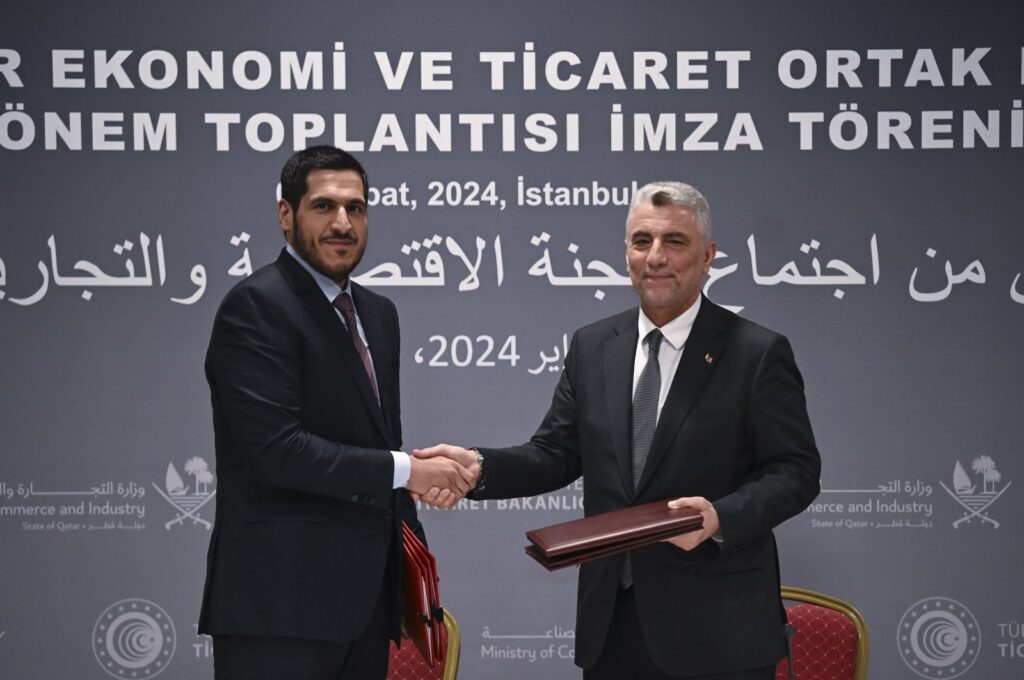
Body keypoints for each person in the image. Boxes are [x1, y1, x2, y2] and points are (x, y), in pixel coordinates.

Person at [417, 181, 821, 679]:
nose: (655, 257)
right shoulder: (593, 346)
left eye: (675, 241)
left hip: (720, 633)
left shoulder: (757, 352)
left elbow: (796, 471)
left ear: (708, 255)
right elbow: (555, 452)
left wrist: (719, 517)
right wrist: (478, 468)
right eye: (641, 241)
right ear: (626, 252)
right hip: (613, 628)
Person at [198, 146, 476, 680]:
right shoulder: (255, 306)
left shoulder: (379, 314)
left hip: (367, 607)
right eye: (324, 206)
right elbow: (280, 452)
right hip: (278, 613)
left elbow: (382, 443)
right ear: (286, 215)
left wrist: (410, 568)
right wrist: (412, 472)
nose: (343, 223)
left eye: (357, 208)